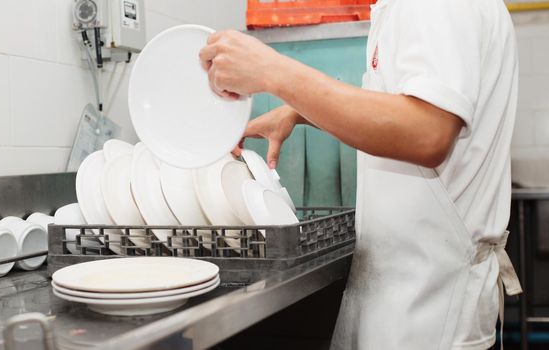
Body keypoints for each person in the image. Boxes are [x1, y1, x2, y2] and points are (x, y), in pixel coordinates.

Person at [199, 0, 523, 348]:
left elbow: (427, 131)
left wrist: (273, 72)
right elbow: (398, 113)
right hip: (408, 302)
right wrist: (299, 112)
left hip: (431, 314)